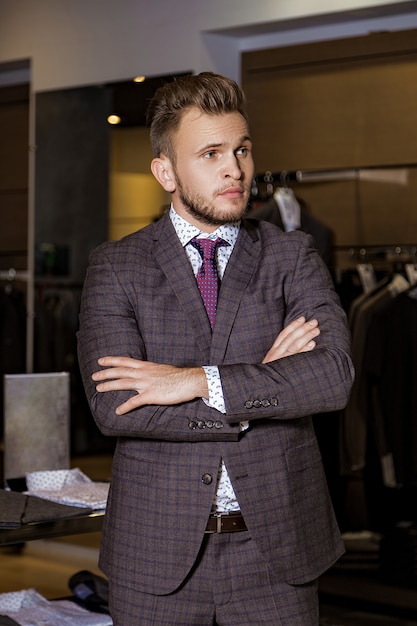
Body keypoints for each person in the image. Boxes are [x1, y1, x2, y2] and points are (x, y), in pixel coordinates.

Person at [77, 72, 354, 626]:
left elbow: (332, 376)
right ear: (165, 171)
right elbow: (117, 407)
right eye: (210, 153)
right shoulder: (116, 266)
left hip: (277, 553)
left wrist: (197, 380)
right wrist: (265, 384)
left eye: (241, 149)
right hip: (156, 554)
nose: (235, 169)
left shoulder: (292, 256)